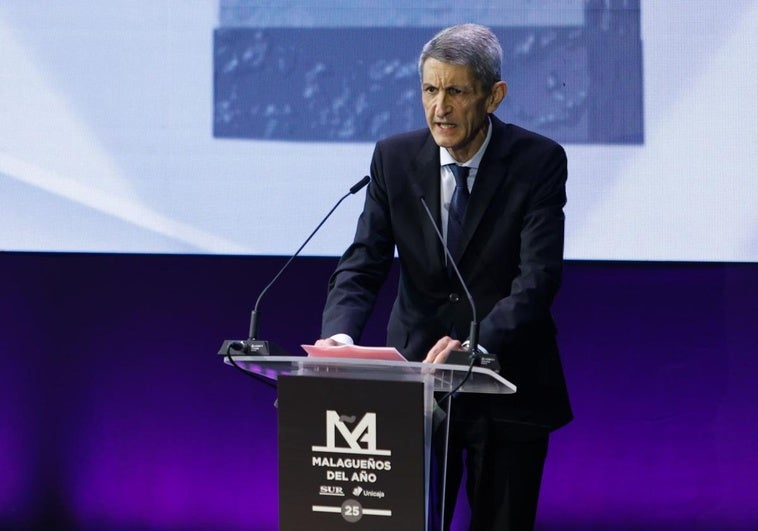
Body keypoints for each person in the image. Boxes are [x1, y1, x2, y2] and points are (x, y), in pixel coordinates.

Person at [315, 23, 572, 530]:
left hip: (508, 381)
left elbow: (538, 278)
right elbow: (364, 259)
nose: (440, 108)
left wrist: (477, 343)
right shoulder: (395, 158)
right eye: (430, 90)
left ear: (493, 96)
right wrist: (340, 334)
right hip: (415, 385)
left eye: (456, 91)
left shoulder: (537, 162)